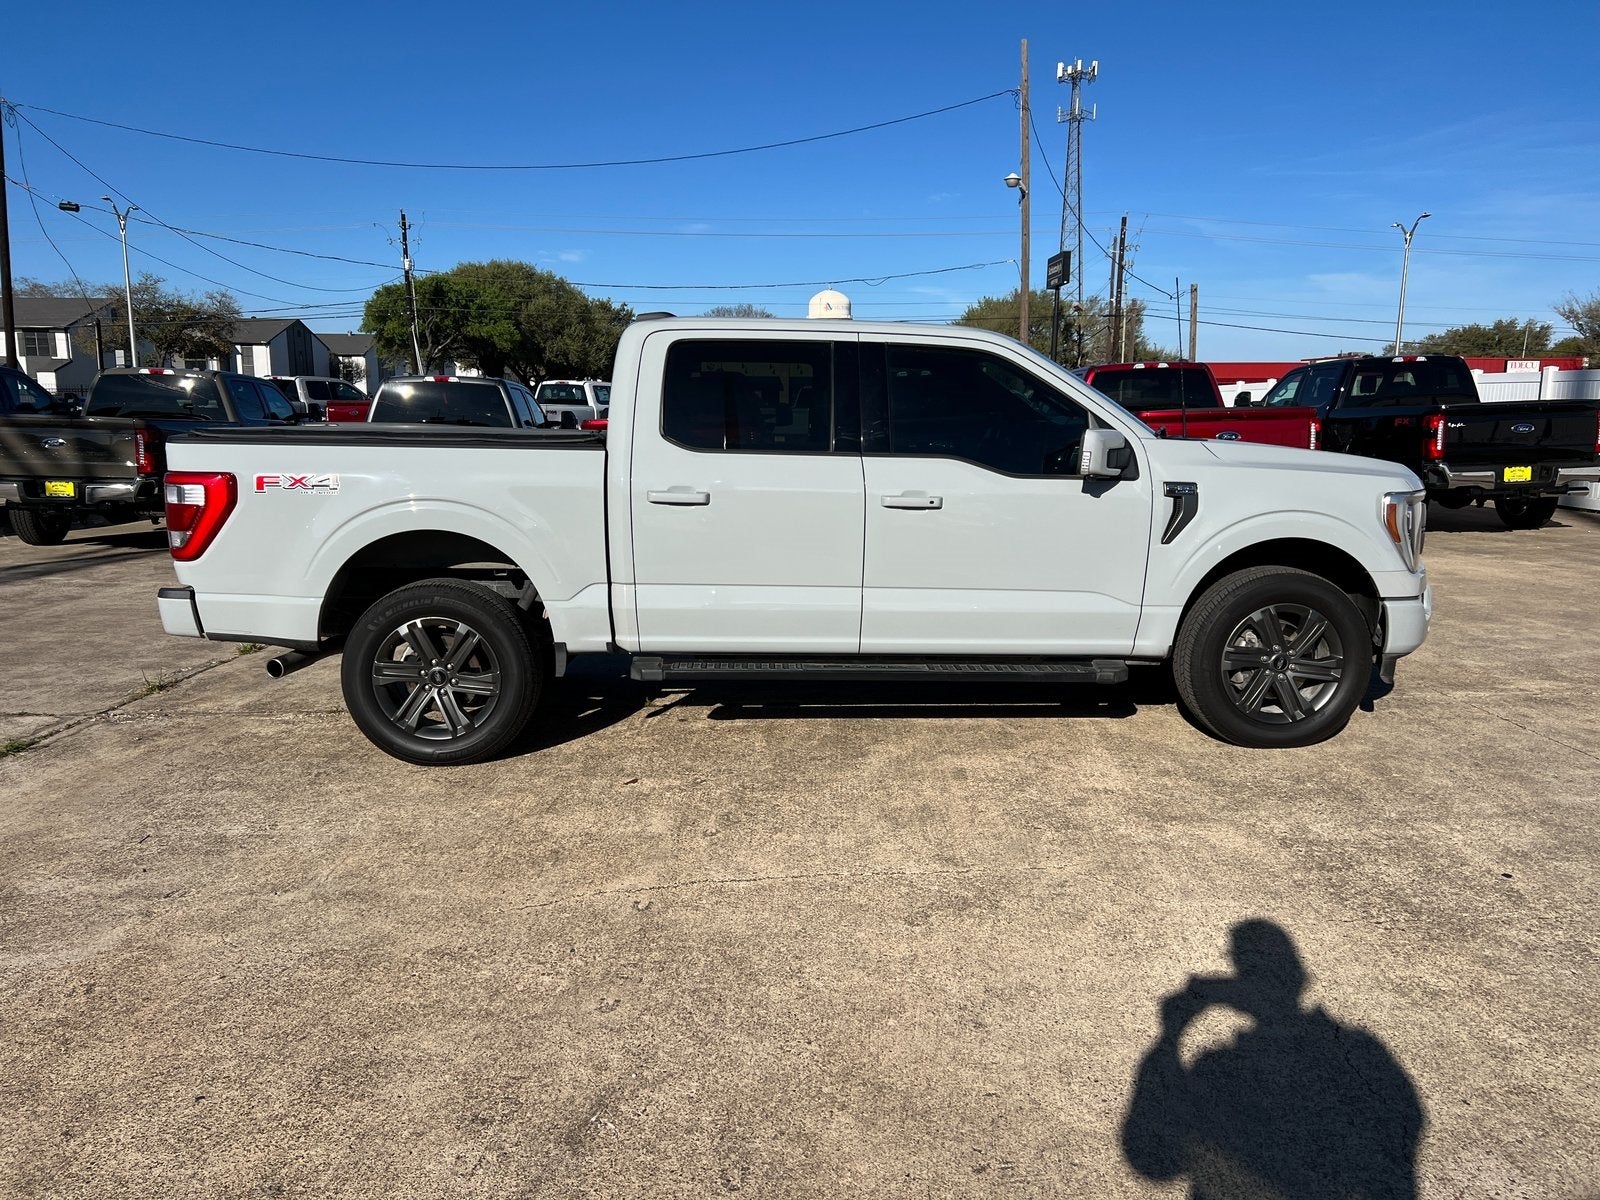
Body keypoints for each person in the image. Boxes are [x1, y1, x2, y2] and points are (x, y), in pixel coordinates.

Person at [1121, 919, 1424, 1199]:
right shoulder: (1363, 1055)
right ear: (1299, 977)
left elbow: (1151, 1160)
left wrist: (1171, 1034)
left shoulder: (1223, 1074)